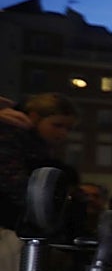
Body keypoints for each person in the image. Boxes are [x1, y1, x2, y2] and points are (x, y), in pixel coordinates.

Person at [0, 93, 78, 230]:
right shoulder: (10, 136)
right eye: (57, 125)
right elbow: (13, 182)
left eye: (68, 129)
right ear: (34, 117)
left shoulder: (35, 145)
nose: (63, 133)